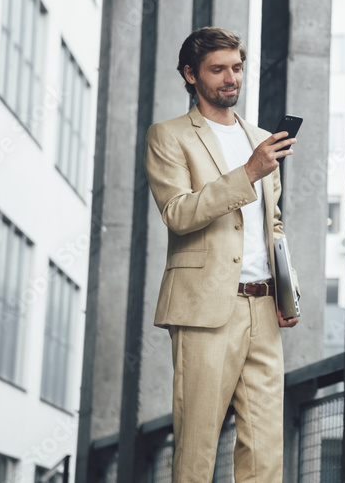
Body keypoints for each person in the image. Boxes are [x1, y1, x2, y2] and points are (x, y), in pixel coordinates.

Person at [144, 27, 299, 482]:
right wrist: (249, 171)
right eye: (218, 69)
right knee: (197, 449)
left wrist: (289, 294)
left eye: (236, 67)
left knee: (265, 452)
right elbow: (177, 213)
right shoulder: (169, 136)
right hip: (205, 309)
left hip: (264, 310)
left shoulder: (262, 137)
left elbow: (272, 226)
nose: (231, 78)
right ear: (191, 75)